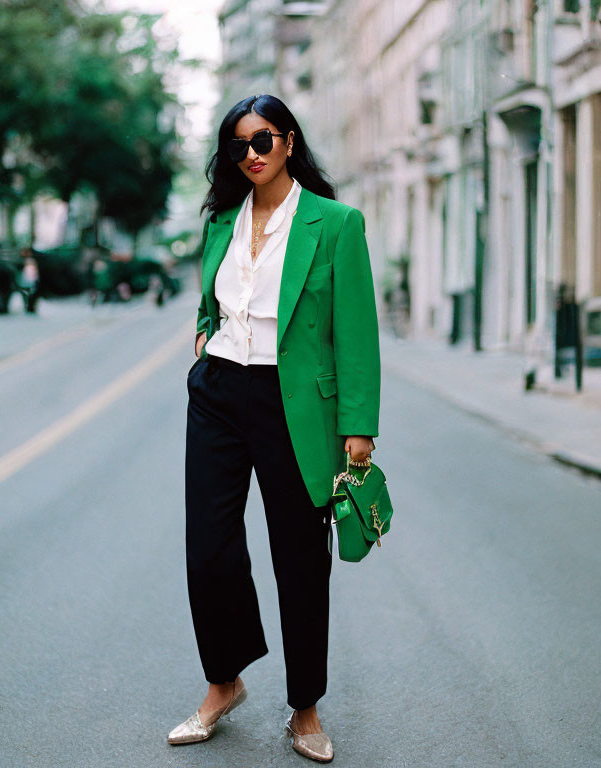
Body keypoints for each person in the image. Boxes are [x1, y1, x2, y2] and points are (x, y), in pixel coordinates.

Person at [168, 94, 381, 763]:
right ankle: (223, 683)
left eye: (262, 140)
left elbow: (357, 334)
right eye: (238, 146)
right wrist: (205, 336)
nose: (251, 155)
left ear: (289, 141)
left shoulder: (335, 224)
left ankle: (306, 708)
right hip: (220, 392)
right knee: (209, 549)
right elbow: (212, 297)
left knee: (298, 560)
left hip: (297, 407)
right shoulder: (221, 221)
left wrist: (358, 425)